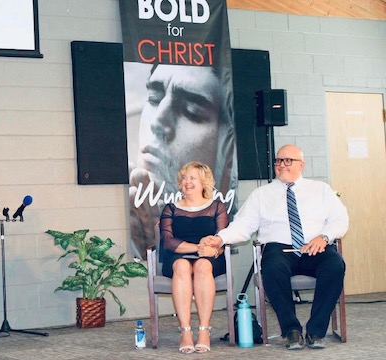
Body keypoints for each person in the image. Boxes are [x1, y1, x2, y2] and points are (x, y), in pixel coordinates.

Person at [202, 144, 349, 350]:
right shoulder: (262, 194)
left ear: (301, 165)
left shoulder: (320, 190)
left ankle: (316, 331)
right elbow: (243, 226)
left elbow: (340, 220)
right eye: (278, 161)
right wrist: (220, 239)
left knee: (335, 265)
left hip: (315, 247)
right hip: (279, 249)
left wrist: (324, 237)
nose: (281, 165)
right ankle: (291, 330)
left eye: (287, 161)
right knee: (271, 266)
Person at [127, 63, 237, 259]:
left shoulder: (218, 209)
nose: (157, 123)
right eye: (154, 98)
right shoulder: (147, 207)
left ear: (225, 142)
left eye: (192, 110)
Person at [158, 161, 228, 354]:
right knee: (181, 266)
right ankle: (186, 331)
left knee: (203, 266)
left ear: (204, 182)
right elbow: (168, 241)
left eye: (192, 178)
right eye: (184, 177)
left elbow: (222, 238)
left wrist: (214, 250)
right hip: (178, 255)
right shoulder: (170, 208)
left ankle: (204, 330)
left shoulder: (216, 207)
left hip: (210, 258)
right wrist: (198, 248)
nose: (187, 181)